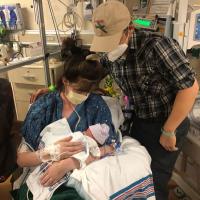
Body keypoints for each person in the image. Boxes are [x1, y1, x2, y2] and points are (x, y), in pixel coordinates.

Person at [89, 1, 199, 200]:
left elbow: (190, 88)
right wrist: (60, 90)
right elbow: (92, 74)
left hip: (168, 120)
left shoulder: (157, 47)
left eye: (113, 42)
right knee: (136, 173)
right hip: (141, 119)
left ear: (129, 29)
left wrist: (169, 129)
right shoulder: (111, 54)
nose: (109, 50)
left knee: (154, 181)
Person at [13, 38, 118, 200]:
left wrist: (69, 163)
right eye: (79, 90)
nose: (83, 96)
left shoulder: (96, 105)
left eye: (88, 91)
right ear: (65, 81)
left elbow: (111, 147)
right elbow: (21, 159)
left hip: (84, 170)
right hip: (45, 171)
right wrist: (49, 153)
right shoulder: (44, 106)